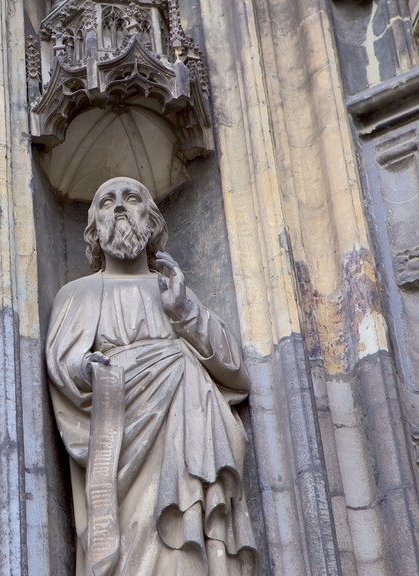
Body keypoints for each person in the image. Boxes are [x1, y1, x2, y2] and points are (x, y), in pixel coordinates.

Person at [45, 177, 258, 575]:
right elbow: (63, 365)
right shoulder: (79, 293)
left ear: (152, 220)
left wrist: (184, 311)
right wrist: (88, 369)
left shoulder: (173, 292)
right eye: (107, 201)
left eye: (132, 199)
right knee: (138, 528)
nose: (120, 207)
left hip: (186, 432)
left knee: (185, 532)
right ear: (94, 228)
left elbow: (237, 376)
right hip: (121, 429)